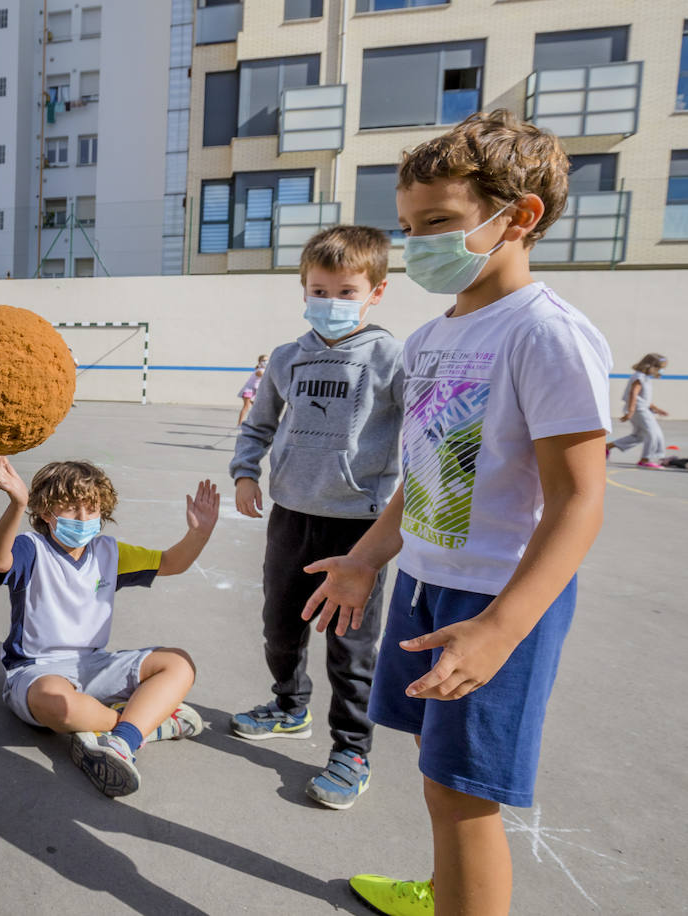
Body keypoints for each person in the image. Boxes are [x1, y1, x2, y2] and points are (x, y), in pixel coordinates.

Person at [304, 110, 610, 916]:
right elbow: (425, 471)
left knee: (464, 794)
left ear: (521, 217)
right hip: (427, 585)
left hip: (496, 599)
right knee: (437, 775)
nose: (417, 246)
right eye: (409, 228)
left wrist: (502, 626)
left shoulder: (547, 336)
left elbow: (581, 500)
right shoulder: (436, 334)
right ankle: (448, 893)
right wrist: (369, 556)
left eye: (439, 223)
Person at [228, 225, 404, 811]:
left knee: (351, 648)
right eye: (319, 289)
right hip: (291, 516)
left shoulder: (393, 358)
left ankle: (352, 749)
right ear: (303, 289)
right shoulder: (285, 358)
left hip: (359, 527)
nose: (331, 302)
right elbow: (258, 425)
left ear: (375, 291)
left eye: (347, 291)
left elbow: (426, 437)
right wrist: (246, 472)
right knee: (281, 626)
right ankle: (288, 705)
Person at [0, 457, 219, 797]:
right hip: (36, 671)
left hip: (94, 665)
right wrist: (17, 503)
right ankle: (144, 725)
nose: (82, 518)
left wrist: (198, 534)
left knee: (178, 663)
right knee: (56, 703)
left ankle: (119, 742)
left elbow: (172, 563)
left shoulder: (109, 552)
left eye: (92, 509)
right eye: (70, 508)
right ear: (46, 512)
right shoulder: (31, 548)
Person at [607, 353, 669, 468]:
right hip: (639, 410)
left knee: (639, 436)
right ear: (652, 366)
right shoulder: (639, 377)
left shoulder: (644, 378)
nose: (661, 371)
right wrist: (630, 412)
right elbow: (633, 394)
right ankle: (645, 459)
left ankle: (607, 447)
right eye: (660, 368)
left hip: (642, 409)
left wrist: (656, 408)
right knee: (653, 434)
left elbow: (644, 398)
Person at [235, 354, 267, 427]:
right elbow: (265, 379)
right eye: (264, 360)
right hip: (248, 390)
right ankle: (239, 424)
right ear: (260, 362)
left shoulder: (264, 370)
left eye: (267, 360)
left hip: (254, 391)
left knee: (257, 408)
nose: (266, 362)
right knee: (246, 407)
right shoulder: (260, 371)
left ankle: (255, 423)